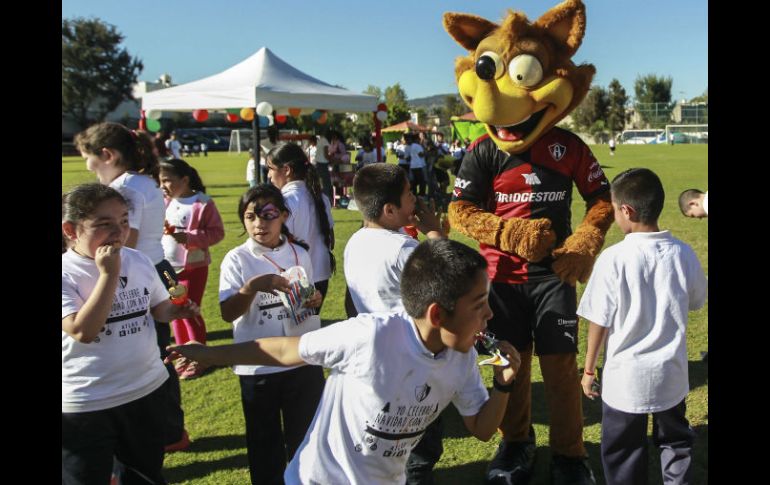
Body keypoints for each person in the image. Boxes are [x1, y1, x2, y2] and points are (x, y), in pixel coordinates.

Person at [167, 238, 522, 485]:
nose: (490, 314)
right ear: (437, 314)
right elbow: (283, 350)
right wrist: (209, 354)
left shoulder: (461, 358)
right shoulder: (370, 337)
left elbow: (481, 427)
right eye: (479, 305)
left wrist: (503, 383)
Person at [62, 184, 200, 485]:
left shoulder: (137, 260)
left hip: (145, 390)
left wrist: (176, 311)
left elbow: (157, 309)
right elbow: (83, 330)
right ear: (71, 230)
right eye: (104, 224)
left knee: (144, 475)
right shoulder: (66, 273)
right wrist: (109, 273)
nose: (118, 232)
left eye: (124, 221)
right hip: (87, 403)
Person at [578, 168, 707, 485]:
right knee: (675, 444)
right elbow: (696, 300)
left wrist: (589, 370)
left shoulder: (613, 258)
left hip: (626, 381)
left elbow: (599, 321)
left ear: (627, 210)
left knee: (623, 453)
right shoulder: (684, 253)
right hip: (671, 376)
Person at [75, 121, 190, 452]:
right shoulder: (144, 181)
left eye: (91, 162)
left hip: (140, 271)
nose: (91, 170)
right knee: (156, 352)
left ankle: (161, 431)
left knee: (144, 353)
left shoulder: (127, 188)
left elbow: (128, 242)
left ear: (107, 155)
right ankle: (169, 430)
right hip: (156, 268)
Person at [344, 163, 446, 484]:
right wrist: (435, 233)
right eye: (408, 195)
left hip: (378, 357)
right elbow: (446, 282)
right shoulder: (402, 249)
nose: (415, 199)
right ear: (390, 209)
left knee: (388, 439)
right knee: (420, 444)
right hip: (412, 362)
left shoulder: (355, 241)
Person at [218, 184, 326, 484]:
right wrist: (251, 288)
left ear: (284, 216)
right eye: (250, 216)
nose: (259, 223)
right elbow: (228, 313)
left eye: (268, 215)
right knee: (264, 442)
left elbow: (306, 297)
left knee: (305, 436)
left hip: (302, 358)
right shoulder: (237, 259)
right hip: (259, 364)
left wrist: (314, 299)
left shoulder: (300, 253)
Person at [159, 158, 225, 378]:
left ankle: (200, 357)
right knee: (175, 313)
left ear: (184, 180)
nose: (163, 186)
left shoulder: (202, 203)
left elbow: (217, 233)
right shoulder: (165, 201)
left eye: (168, 180)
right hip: (168, 268)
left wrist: (188, 237)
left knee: (189, 310)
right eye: (161, 181)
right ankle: (183, 354)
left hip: (193, 268)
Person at [266, 143, 336, 309]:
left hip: (293, 279)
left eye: (270, 168)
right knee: (308, 330)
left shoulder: (285, 201)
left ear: (287, 170)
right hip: (320, 275)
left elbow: (275, 244)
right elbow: (330, 238)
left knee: (290, 333)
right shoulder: (320, 197)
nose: (269, 175)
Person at [315, 132, 333, 201]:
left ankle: (324, 198)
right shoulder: (325, 141)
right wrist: (331, 160)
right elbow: (326, 154)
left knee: (322, 183)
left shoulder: (320, 140)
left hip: (318, 163)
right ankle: (327, 199)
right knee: (326, 183)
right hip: (323, 164)